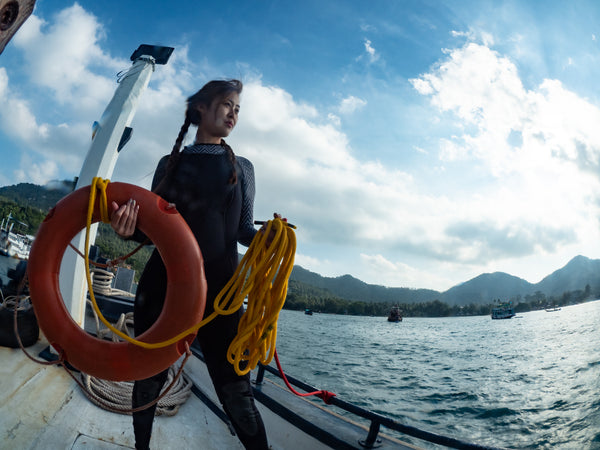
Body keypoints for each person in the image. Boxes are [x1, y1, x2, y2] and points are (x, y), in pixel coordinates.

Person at [110, 79, 269, 450]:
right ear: (201, 107)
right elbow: (149, 233)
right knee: (147, 379)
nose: (234, 113)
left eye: (238, 109)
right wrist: (126, 230)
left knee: (237, 393)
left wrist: (268, 238)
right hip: (162, 289)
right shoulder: (170, 164)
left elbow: (244, 230)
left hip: (222, 296)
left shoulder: (242, 168)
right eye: (228, 104)